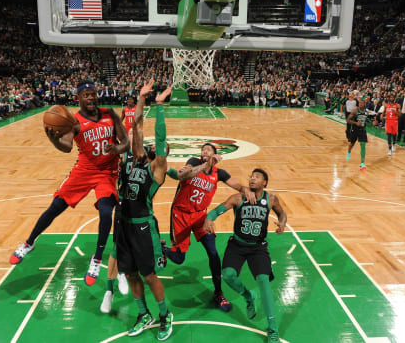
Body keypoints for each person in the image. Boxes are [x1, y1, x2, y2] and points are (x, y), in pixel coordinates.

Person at [9, 82, 129, 289]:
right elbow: (66, 147)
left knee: (105, 213)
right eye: (86, 95)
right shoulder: (74, 122)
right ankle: (29, 242)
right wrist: (53, 139)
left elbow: (126, 142)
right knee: (55, 207)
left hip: (107, 173)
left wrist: (117, 148)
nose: (91, 98)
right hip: (84, 170)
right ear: (78, 99)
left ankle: (97, 258)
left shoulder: (110, 113)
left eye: (93, 94)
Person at [162, 144, 256, 312]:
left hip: (200, 217)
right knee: (178, 259)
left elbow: (237, 185)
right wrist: (205, 165)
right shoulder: (193, 162)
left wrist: (246, 190)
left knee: (213, 253)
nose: (204, 151)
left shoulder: (219, 173)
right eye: (203, 149)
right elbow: (184, 174)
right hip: (181, 214)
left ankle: (218, 292)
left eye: (208, 150)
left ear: (215, 155)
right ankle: (162, 248)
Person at [115, 81, 174, 340]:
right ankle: (143, 313)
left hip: (142, 225)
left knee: (149, 275)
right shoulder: (131, 156)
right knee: (129, 272)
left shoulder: (156, 170)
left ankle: (164, 315)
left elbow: (160, 139)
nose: (154, 148)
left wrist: (159, 107)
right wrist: (141, 98)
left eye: (160, 151)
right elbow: (135, 125)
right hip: (123, 223)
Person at [203, 168, 288, 343]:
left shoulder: (270, 199)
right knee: (227, 275)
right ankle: (248, 296)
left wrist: (282, 223)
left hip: (258, 248)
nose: (252, 179)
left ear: (265, 182)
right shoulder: (238, 198)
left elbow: (282, 213)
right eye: (251, 177)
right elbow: (215, 211)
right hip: (237, 245)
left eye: (257, 177)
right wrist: (209, 219)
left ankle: (273, 329)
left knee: (263, 281)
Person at [346, 99, 369, 170]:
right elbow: (348, 120)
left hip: (362, 130)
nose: (360, 104)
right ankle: (349, 152)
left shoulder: (366, 112)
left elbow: (366, 121)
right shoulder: (355, 111)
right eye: (359, 103)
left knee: (363, 145)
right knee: (352, 144)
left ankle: (362, 163)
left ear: (364, 104)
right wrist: (355, 123)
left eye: (362, 103)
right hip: (355, 130)